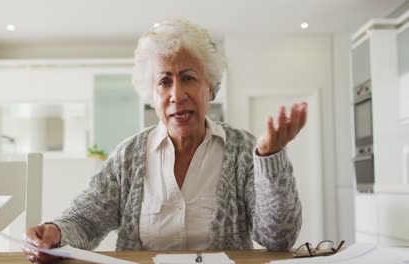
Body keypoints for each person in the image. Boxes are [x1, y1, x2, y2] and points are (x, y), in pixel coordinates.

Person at [23, 18, 306, 263]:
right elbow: (84, 221)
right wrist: (55, 232)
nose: (177, 94)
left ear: (210, 87)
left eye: (188, 78)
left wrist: (271, 156)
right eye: (164, 81)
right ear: (152, 94)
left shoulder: (243, 150)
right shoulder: (129, 156)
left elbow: (278, 238)